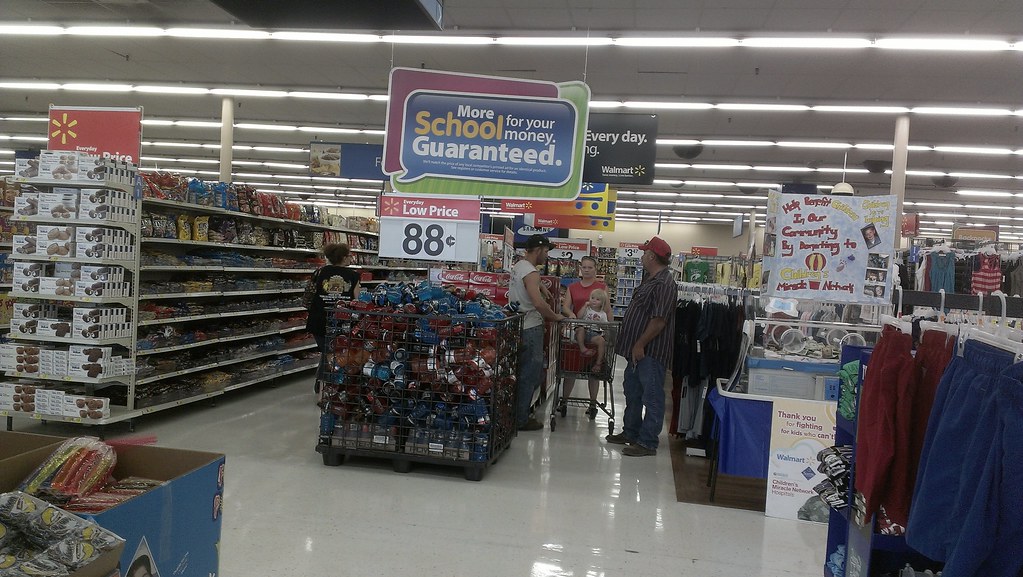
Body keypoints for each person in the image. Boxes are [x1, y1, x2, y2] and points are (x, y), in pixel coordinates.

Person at [606, 236, 676, 457]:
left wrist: (640, 344)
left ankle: (647, 442)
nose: (642, 256)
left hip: (650, 352)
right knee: (633, 391)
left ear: (652, 256)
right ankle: (631, 432)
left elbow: (659, 320)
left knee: (652, 396)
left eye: (645, 252)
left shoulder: (665, 283)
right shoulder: (650, 279)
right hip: (637, 352)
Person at [509, 234, 565, 431]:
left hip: (518, 325)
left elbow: (530, 282)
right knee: (530, 375)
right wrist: (555, 316)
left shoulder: (519, 266)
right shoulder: (531, 272)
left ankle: (516, 413)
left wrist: (540, 285)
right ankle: (521, 419)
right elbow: (538, 303)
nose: (547, 256)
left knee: (523, 372)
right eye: (547, 251)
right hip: (531, 326)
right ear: (539, 250)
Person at [304, 243, 362, 392]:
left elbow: (307, 299)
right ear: (343, 258)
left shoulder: (318, 272)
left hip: (318, 321)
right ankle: (326, 389)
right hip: (341, 323)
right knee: (333, 353)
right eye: (349, 255)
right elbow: (358, 302)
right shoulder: (353, 276)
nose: (351, 258)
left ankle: (322, 384)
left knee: (328, 351)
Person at [561, 256, 612, 416]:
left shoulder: (602, 287)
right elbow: (565, 307)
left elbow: (608, 309)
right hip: (579, 330)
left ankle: (592, 404)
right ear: (580, 269)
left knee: (593, 373)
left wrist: (610, 329)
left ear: (595, 269)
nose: (587, 270)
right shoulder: (573, 287)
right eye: (584, 267)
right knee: (571, 370)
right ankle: (564, 401)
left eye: (590, 267)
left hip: (596, 331)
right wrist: (572, 315)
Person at [575, 288, 609, 372]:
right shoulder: (587, 310)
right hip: (583, 331)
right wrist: (584, 306)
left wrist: (599, 323)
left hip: (594, 333)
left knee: (601, 341)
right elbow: (578, 317)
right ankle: (583, 349)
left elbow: (605, 327)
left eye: (597, 299)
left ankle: (598, 363)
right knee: (580, 329)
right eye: (592, 298)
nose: (594, 301)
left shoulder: (603, 314)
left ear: (602, 303)